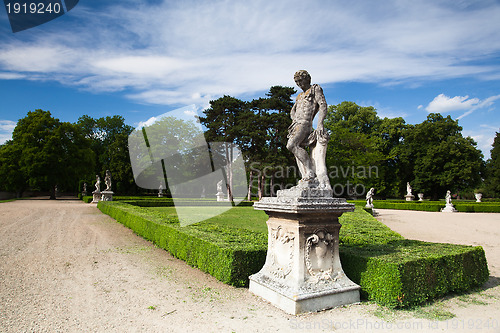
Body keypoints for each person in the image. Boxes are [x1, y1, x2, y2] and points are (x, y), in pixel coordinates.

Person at [286, 70, 329, 186]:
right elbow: (292, 111)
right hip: (297, 125)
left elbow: (323, 106)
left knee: (291, 145)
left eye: (300, 80)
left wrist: (320, 123)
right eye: (296, 82)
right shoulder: (299, 96)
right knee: (294, 146)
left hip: (305, 124)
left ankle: (310, 172)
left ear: (307, 79)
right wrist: (294, 119)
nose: (299, 84)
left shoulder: (315, 89)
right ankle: (306, 173)